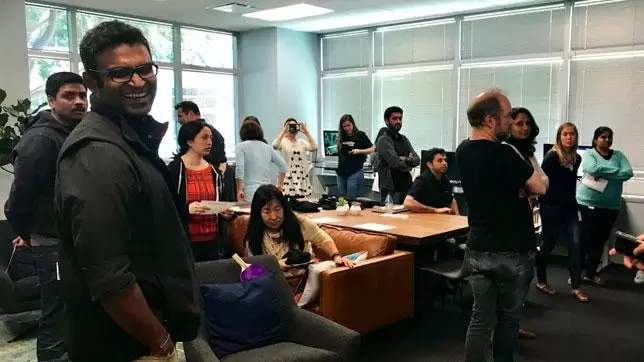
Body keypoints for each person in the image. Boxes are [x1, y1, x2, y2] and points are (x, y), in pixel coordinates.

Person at [55, 21, 199, 362]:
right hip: (125, 345)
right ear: (92, 81)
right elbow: (109, 276)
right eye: (120, 73)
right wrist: (161, 343)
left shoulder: (129, 137)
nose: (138, 82)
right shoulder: (98, 152)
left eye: (145, 69)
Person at [456, 90, 548, 362]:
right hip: (512, 251)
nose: (511, 122)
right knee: (508, 320)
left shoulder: (462, 150)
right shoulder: (504, 154)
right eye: (507, 116)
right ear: (489, 120)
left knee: (480, 320)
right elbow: (539, 186)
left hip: (478, 248)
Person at [4, 71, 87, 362]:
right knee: (58, 313)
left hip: (72, 239)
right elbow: (18, 200)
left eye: (82, 95)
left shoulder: (73, 133)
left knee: (75, 310)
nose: (79, 102)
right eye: (69, 96)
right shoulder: (40, 140)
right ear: (51, 101)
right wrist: (27, 234)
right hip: (52, 242)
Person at [167, 121, 235, 262]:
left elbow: (220, 202)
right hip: (185, 243)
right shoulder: (175, 170)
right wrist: (187, 209)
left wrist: (225, 213)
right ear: (190, 141)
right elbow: (166, 205)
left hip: (212, 242)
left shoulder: (214, 171)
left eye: (210, 138)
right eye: (204, 137)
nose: (210, 142)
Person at [536, 122, 588, 302]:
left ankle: (576, 287)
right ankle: (541, 281)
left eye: (572, 134)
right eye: (565, 134)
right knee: (548, 245)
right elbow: (542, 182)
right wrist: (544, 204)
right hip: (551, 208)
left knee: (575, 245)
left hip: (570, 209)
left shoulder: (576, 158)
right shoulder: (552, 157)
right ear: (559, 137)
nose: (569, 137)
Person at [245, 184, 354, 269]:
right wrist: (276, 266)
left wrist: (336, 256)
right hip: (272, 282)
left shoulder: (299, 222)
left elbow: (322, 238)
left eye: (277, 209)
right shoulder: (254, 233)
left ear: (284, 208)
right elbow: (252, 271)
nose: (273, 217)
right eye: (266, 211)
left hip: (303, 277)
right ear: (258, 213)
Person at [577, 126, 633, 285]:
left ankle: (590, 273)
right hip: (587, 204)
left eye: (609, 137)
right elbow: (590, 168)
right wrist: (616, 173)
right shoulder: (589, 154)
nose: (607, 140)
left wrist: (602, 172)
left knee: (598, 242)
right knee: (583, 240)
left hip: (611, 207)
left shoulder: (618, 155)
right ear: (595, 140)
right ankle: (576, 274)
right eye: (603, 137)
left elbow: (628, 173)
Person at [236, 116, 287, 202]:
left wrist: (239, 190)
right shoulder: (268, 147)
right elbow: (283, 165)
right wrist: (280, 185)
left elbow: (239, 169)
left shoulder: (241, 146)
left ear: (242, 133)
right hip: (267, 191)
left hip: (250, 192)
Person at [375, 106, 419, 204]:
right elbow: (395, 163)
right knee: (390, 218)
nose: (398, 121)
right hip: (391, 189)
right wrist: (408, 161)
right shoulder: (383, 140)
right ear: (386, 121)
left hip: (406, 186)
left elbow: (417, 160)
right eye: (394, 119)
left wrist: (404, 159)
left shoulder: (404, 139)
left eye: (400, 118)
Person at [174, 100, 227, 174]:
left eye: (180, 116)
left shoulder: (195, 132)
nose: (178, 120)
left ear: (191, 114)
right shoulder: (215, 132)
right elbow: (223, 161)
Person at [403, 147, 458, 215]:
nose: (444, 163)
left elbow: (451, 200)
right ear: (430, 164)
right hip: (423, 219)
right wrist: (435, 210)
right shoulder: (423, 180)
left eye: (445, 160)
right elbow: (408, 203)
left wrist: (457, 217)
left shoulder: (445, 180)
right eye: (440, 160)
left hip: (440, 219)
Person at [272, 118, 318, 198]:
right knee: (286, 203)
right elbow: (274, 145)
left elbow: (314, 147)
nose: (292, 128)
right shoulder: (283, 142)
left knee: (300, 204)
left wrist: (306, 132)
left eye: (294, 125)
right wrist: (284, 131)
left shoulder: (302, 142)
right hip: (287, 178)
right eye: (290, 126)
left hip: (301, 177)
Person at [335, 114, 374, 199]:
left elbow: (373, 149)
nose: (347, 128)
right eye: (344, 126)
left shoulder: (360, 135)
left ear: (353, 124)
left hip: (355, 172)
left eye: (348, 125)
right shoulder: (341, 136)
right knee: (342, 200)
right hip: (341, 172)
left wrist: (359, 151)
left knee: (352, 199)